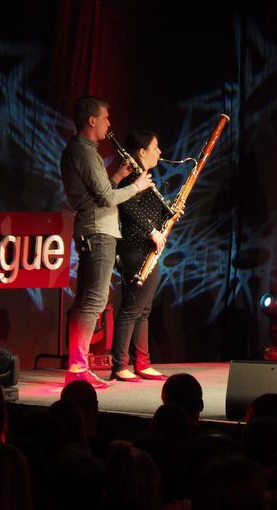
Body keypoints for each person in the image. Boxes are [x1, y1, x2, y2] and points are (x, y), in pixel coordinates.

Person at [61, 96, 153, 389]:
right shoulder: (84, 152)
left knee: (87, 300)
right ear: (92, 121)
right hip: (98, 231)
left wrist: (116, 176)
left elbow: (98, 192)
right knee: (94, 300)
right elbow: (105, 199)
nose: (108, 124)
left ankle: (77, 364)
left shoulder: (86, 151)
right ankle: (77, 366)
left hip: (95, 228)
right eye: (105, 118)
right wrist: (137, 186)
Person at [110, 130, 171, 382]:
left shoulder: (146, 179)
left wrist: (169, 215)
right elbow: (126, 206)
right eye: (155, 147)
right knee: (132, 308)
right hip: (134, 248)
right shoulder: (129, 178)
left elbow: (151, 212)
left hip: (147, 249)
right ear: (142, 151)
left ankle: (142, 362)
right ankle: (120, 364)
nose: (160, 152)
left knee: (144, 309)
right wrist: (151, 231)